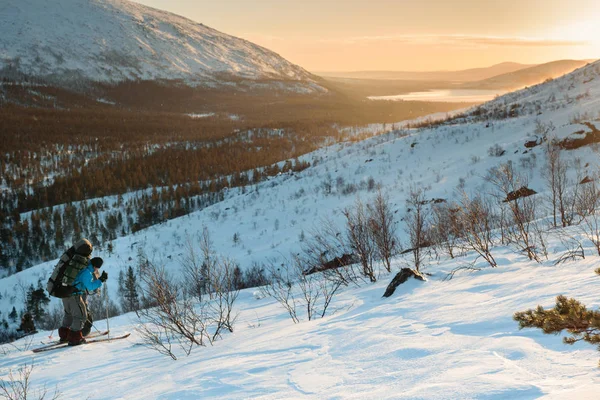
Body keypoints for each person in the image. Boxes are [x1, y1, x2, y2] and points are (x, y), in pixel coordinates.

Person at [58, 256, 108, 346]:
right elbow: (90, 287)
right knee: (81, 316)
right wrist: (101, 280)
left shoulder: (80, 268)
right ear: (95, 266)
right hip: (74, 295)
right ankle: (75, 338)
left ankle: (64, 335)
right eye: (97, 267)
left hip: (65, 294)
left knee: (68, 314)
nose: (97, 270)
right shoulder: (86, 272)